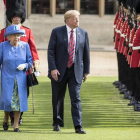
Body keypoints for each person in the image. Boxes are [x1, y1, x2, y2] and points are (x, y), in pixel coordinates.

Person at [48, 10, 90, 134]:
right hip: (59, 71)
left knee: (75, 98)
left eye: (78, 18)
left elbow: (86, 54)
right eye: (75, 18)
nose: (78, 20)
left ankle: (78, 125)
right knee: (58, 97)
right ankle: (57, 122)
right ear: (67, 20)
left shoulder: (83, 33)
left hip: (75, 71)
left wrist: (86, 71)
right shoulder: (56, 32)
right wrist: (53, 69)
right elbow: (51, 51)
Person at [0, 0, 40, 125]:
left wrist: (35, 66)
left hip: (23, 70)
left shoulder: (27, 31)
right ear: (11, 17)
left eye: (18, 16)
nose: (17, 18)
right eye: (14, 16)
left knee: (23, 94)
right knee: (7, 95)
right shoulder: (4, 32)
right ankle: (10, 118)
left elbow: (32, 49)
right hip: (8, 70)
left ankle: (18, 117)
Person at [0, 25, 33, 132]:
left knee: (19, 102)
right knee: (8, 101)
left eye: (18, 35)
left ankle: (15, 125)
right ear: (9, 36)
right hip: (7, 78)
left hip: (21, 79)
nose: (17, 38)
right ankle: (5, 118)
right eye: (14, 35)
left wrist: (26, 65)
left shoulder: (25, 45)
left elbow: (30, 61)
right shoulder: (2, 46)